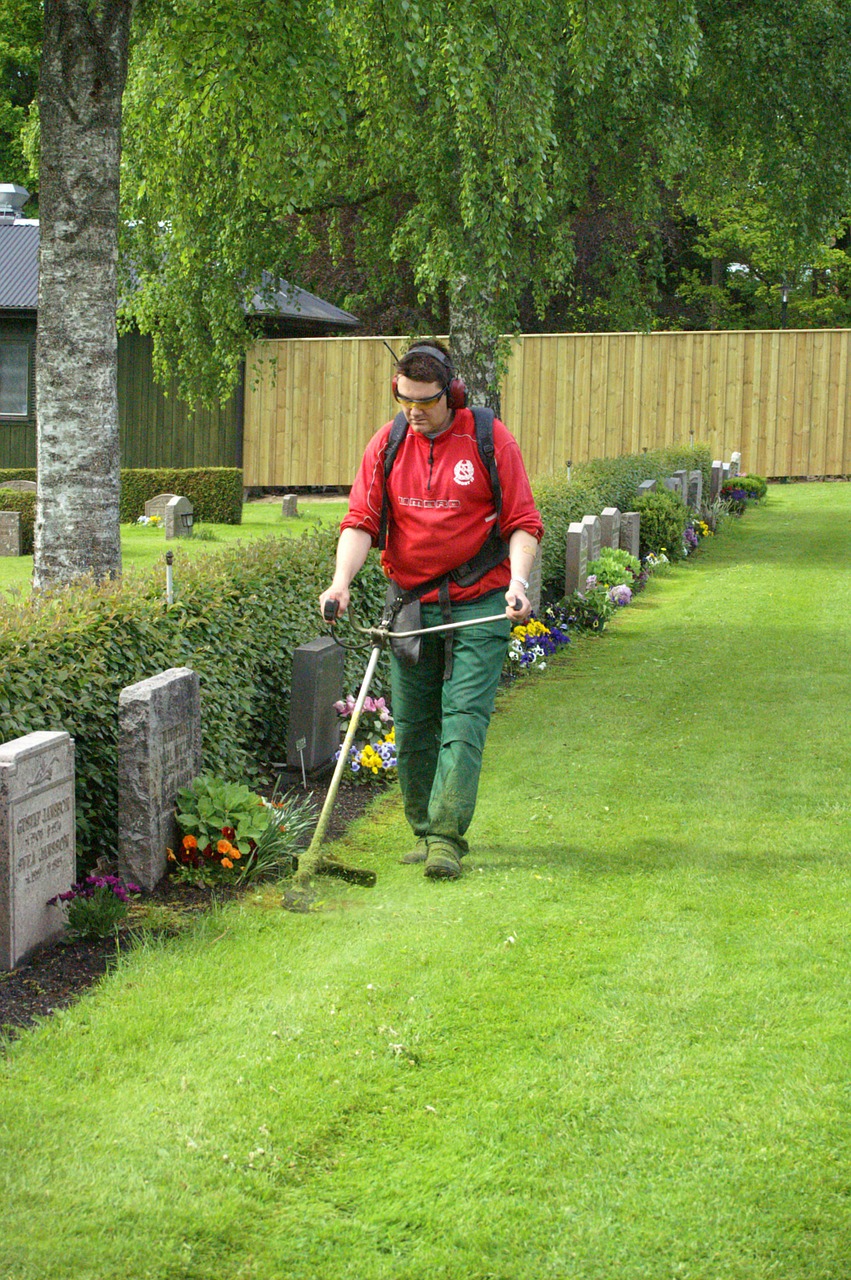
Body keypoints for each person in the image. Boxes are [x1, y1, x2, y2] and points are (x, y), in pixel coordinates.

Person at [319, 340, 543, 880]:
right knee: (415, 722)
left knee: (464, 719)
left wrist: (517, 581)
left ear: (451, 393)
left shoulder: (488, 438)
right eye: (404, 401)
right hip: (409, 604)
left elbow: (523, 521)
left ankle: (446, 835)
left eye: (425, 402)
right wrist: (340, 582)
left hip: (482, 603)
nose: (414, 413)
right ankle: (423, 828)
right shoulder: (389, 443)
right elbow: (360, 521)